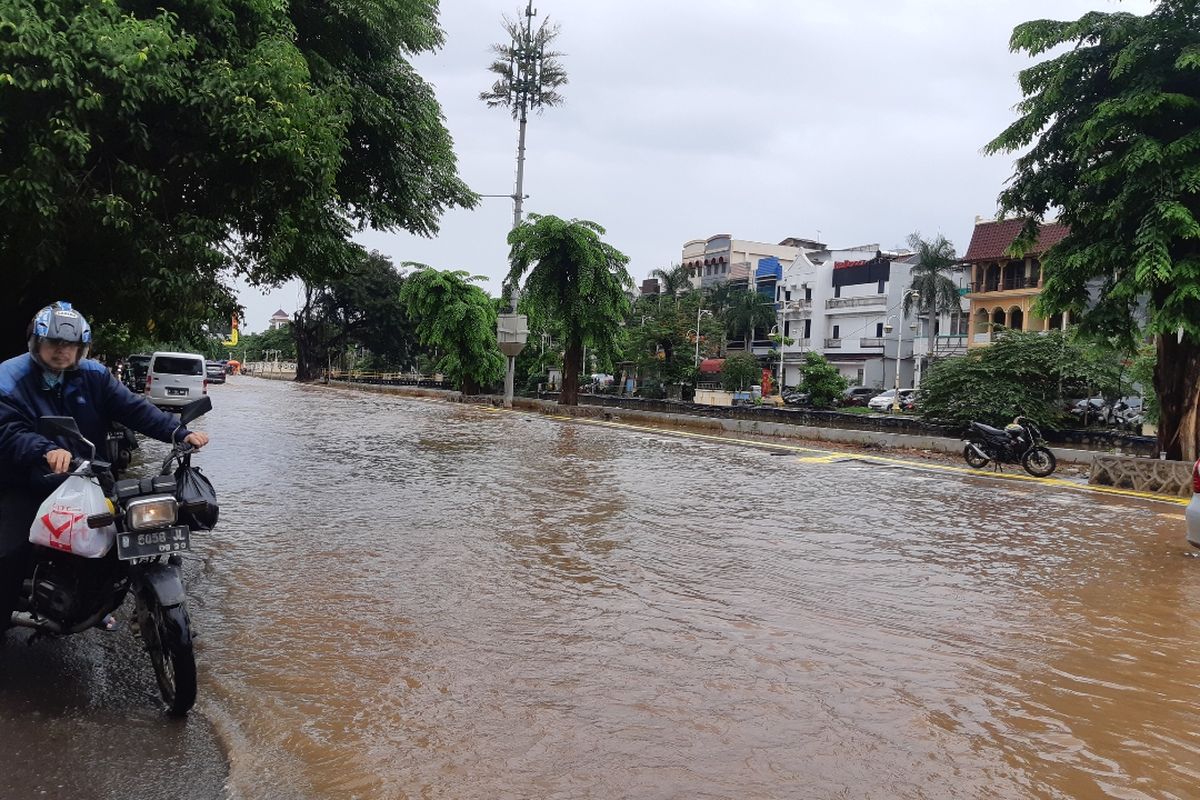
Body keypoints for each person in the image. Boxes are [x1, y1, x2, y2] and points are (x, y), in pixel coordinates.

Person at [0, 301, 209, 634]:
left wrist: (179, 433)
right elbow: (7, 431)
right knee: (9, 552)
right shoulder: (10, 377)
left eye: (69, 345)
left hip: (88, 476)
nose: (61, 351)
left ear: (81, 348)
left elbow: (135, 410)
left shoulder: (94, 376)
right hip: (27, 480)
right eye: (53, 343)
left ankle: (99, 603)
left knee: (124, 530)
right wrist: (45, 450)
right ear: (35, 343)